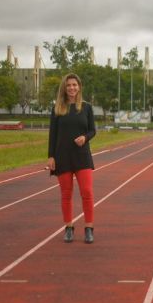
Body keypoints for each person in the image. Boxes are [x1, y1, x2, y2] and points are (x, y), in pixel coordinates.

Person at [48, 73, 96, 244]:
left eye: (74, 85)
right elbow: (52, 135)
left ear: (79, 87)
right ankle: (68, 228)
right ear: (64, 88)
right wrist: (51, 156)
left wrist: (85, 138)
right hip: (63, 157)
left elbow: (92, 130)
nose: (72, 88)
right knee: (66, 194)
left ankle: (89, 229)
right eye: (69, 85)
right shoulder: (57, 108)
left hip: (82, 156)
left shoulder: (87, 107)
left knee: (87, 193)